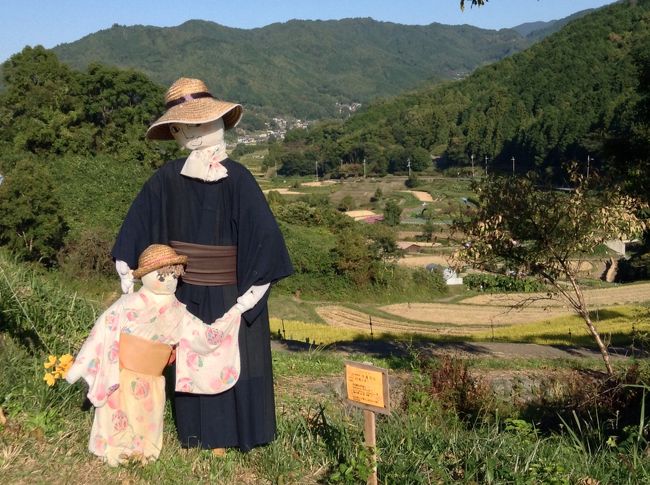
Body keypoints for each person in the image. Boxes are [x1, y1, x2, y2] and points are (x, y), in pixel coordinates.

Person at [111, 77, 293, 453]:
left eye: (200, 122)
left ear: (218, 122)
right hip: (185, 290)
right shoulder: (165, 180)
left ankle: (239, 434)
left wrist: (248, 297)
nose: (193, 132)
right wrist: (127, 261)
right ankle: (197, 434)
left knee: (235, 357)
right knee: (191, 361)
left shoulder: (239, 178)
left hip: (232, 289)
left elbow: (263, 238)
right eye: (184, 126)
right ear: (174, 131)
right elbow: (139, 221)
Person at [66, 244, 241, 465]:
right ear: (146, 276)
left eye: (173, 276)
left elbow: (204, 337)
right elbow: (103, 330)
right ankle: (114, 449)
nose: (168, 281)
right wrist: (79, 368)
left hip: (153, 381)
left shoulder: (179, 310)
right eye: (162, 276)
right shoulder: (128, 303)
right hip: (122, 375)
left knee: (146, 421)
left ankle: (141, 453)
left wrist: (232, 317)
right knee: (116, 417)